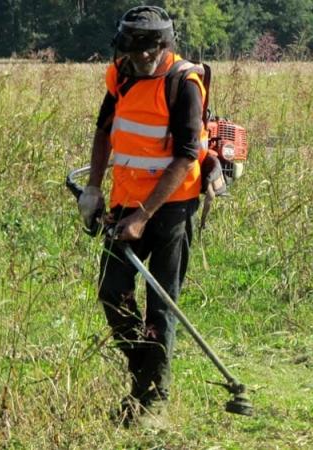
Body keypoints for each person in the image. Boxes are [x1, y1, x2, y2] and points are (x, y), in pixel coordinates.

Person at [76, 5, 208, 427]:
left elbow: (188, 155)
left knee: (161, 305)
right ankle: (144, 373)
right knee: (112, 292)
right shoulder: (122, 75)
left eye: (150, 51)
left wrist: (144, 216)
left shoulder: (183, 83)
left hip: (172, 207)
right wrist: (94, 189)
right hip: (124, 202)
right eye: (134, 51)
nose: (142, 58)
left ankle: (153, 399)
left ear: (165, 45)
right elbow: (103, 131)